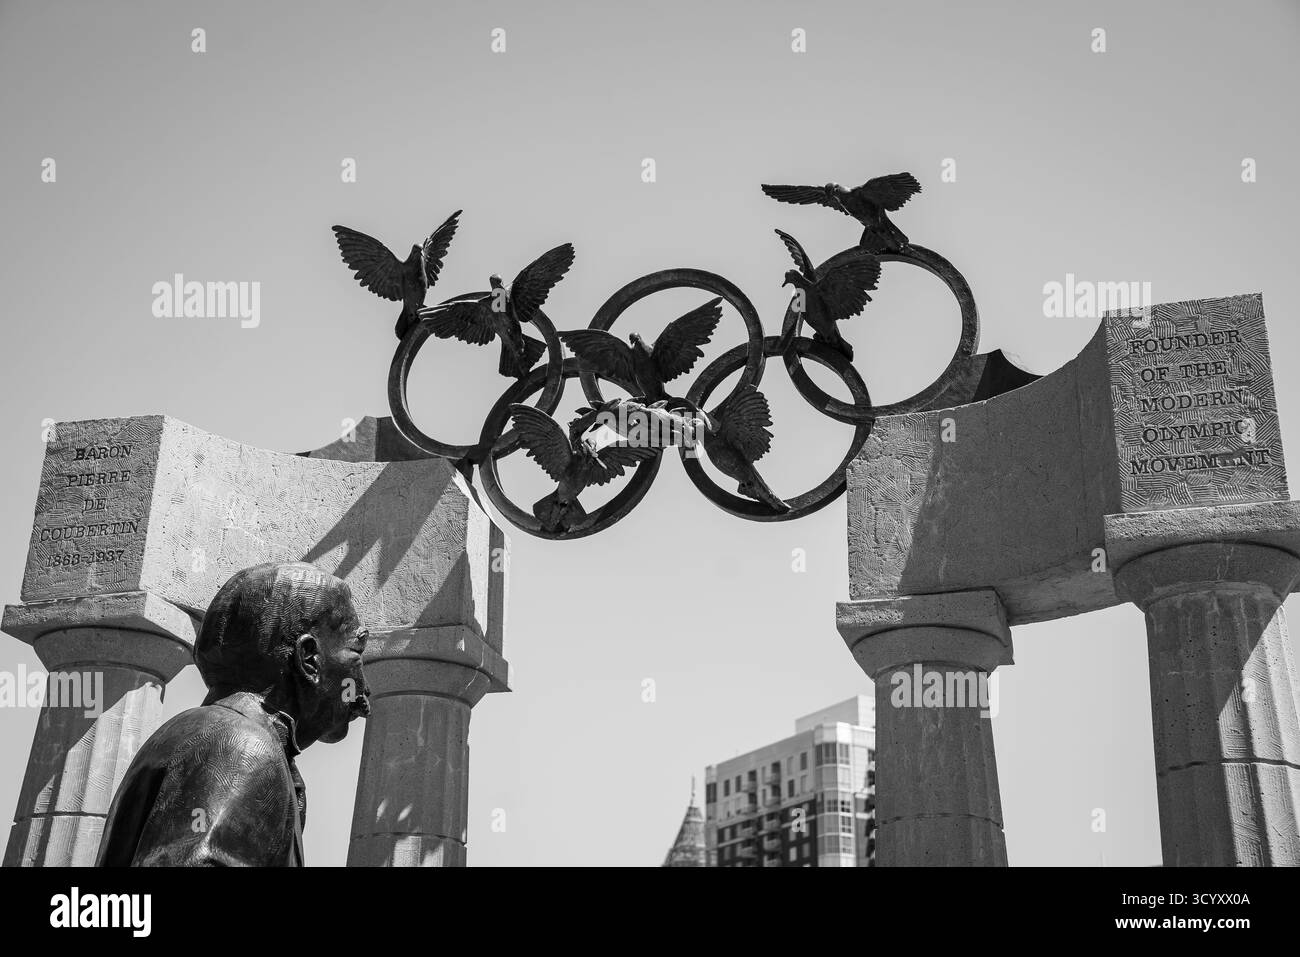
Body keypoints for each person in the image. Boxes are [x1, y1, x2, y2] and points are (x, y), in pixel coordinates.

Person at [96, 562, 371, 866]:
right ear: (309, 660)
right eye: (356, 654)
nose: (363, 690)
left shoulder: (202, 732)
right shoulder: (241, 747)